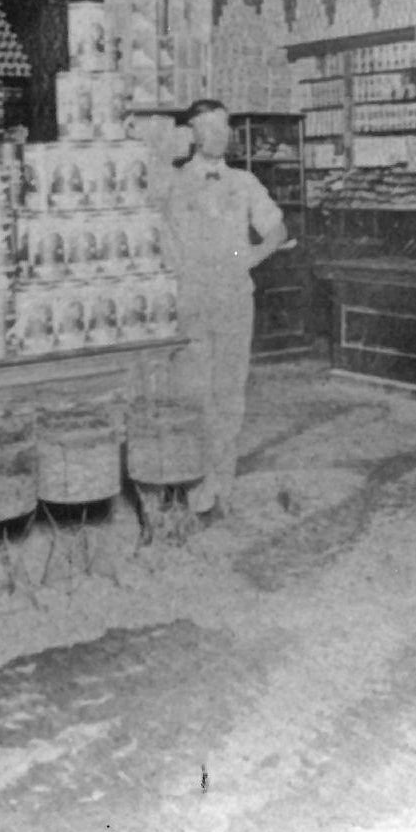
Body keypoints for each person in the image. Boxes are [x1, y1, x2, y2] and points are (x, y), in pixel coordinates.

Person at [158, 99, 288, 525]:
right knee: (193, 395)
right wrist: (180, 275)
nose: (218, 134)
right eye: (208, 127)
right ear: (193, 133)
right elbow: (163, 241)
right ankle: (192, 485)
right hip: (192, 302)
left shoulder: (244, 182)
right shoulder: (173, 184)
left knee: (229, 396)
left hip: (234, 299)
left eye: (223, 127)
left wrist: (248, 254)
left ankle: (220, 486)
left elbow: (277, 229)